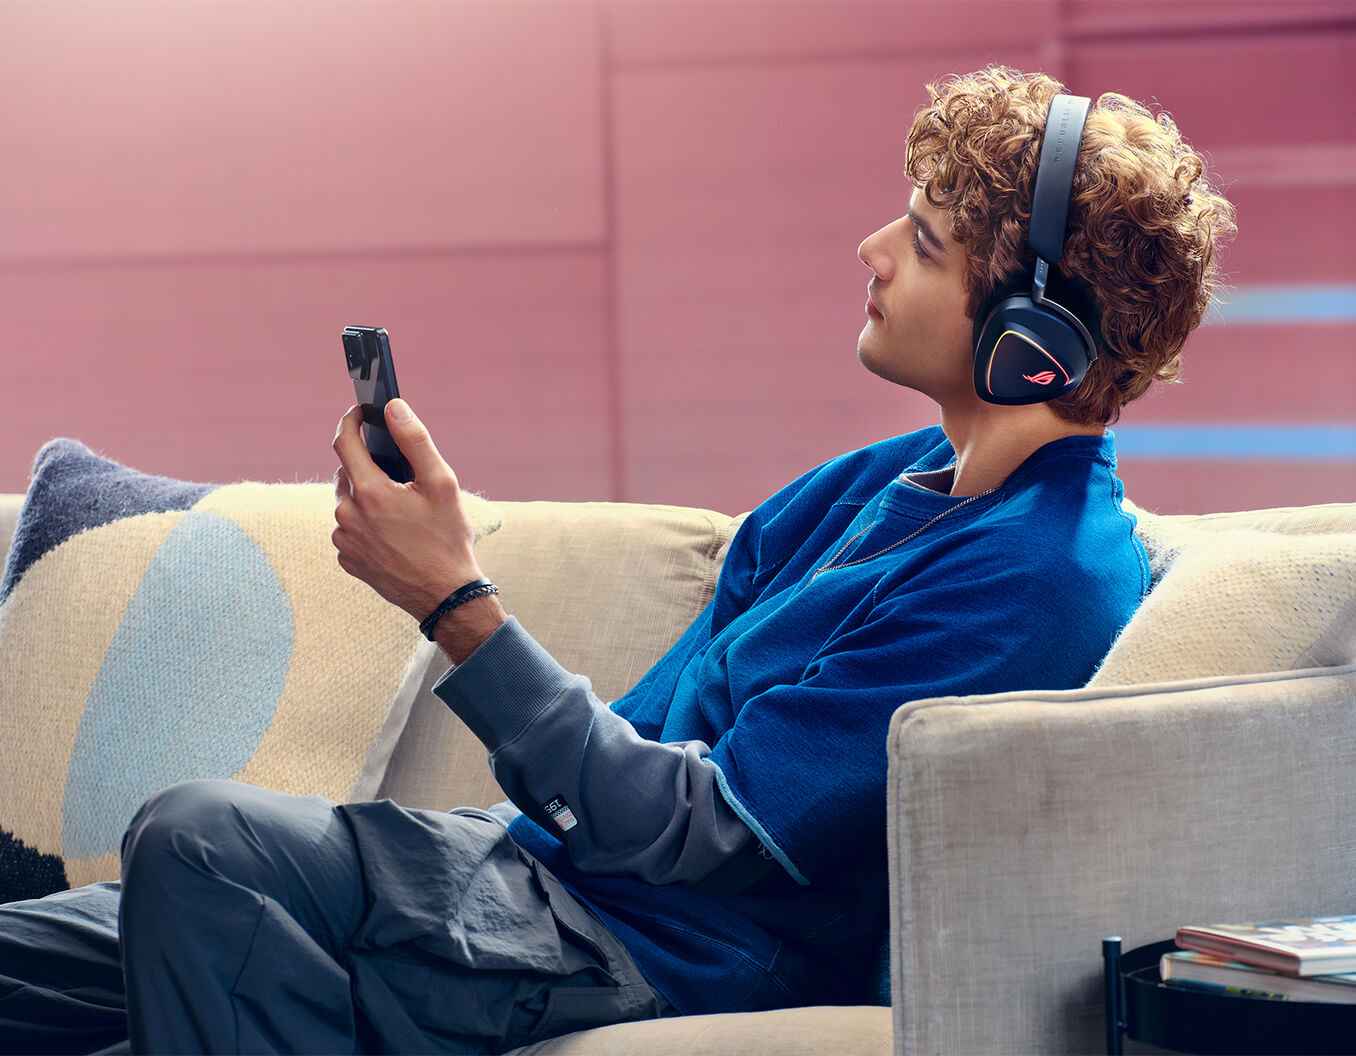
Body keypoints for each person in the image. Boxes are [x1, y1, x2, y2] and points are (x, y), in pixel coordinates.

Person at [0, 67, 1234, 1054]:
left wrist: (452, 598)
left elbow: (707, 834)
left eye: (922, 240)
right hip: (534, 883)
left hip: (643, 951)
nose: (870, 248)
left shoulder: (1036, 578)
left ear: (1028, 342)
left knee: (198, 843)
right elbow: (642, 752)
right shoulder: (881, 484)